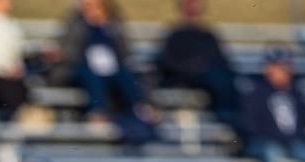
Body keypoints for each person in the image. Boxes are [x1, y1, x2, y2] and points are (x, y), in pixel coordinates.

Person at [57, 0, 151, 133]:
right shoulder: (76, 22)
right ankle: (98, 112)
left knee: (126, 75)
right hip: (82, 64)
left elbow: (125, 51)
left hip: (112, 66)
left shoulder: (113, 23)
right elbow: (68, 49)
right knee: (93, 76)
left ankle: (138, 107)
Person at [154, 0, 240, 126]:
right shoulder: (176, 36)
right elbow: (168, 63)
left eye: (196, 11)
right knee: (218, 79)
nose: (193, 15)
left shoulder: (208, 36)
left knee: (229, 79)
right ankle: (226, 118)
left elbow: (223, 62)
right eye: (190, 11)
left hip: (213, 75)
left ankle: (231, 117)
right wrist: (191, 66)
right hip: (188, 77)